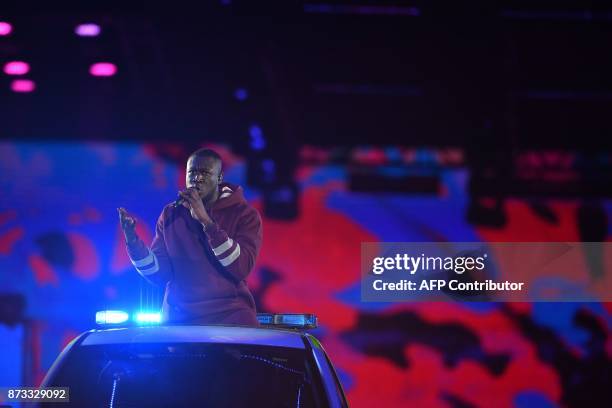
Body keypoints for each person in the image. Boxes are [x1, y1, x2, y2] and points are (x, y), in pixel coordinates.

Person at [117, 148, 262, 325]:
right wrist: (133, 242)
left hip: (230, 316)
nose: (197, 178)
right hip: (179, 319)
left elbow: (241, 267)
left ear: (219, 178)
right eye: (192, 172)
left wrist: (207, 223)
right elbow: (161, 274)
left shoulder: (244, 214)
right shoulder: (171, 214)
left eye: (204, 172)